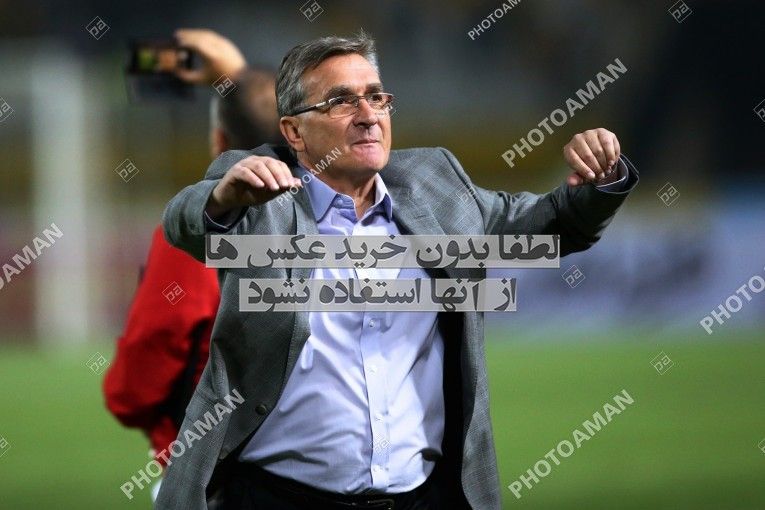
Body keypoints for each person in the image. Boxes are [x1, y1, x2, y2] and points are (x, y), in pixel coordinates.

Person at [157, 32, 639, 510]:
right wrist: (222, 199)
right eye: (341, 101)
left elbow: (551, 228)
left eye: (376, 97)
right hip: (274, 498)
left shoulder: (436, 184)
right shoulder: (260, 192)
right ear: (294, 132)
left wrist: (600, 180)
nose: (368, 115)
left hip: (422, 499)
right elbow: (185, 222)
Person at [102, 28, 280, 503]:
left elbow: (146, 362)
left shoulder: (196, 230)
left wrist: (133, 406)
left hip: (216, 474)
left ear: (219, 140)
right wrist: (236, 78)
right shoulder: (347, 211)